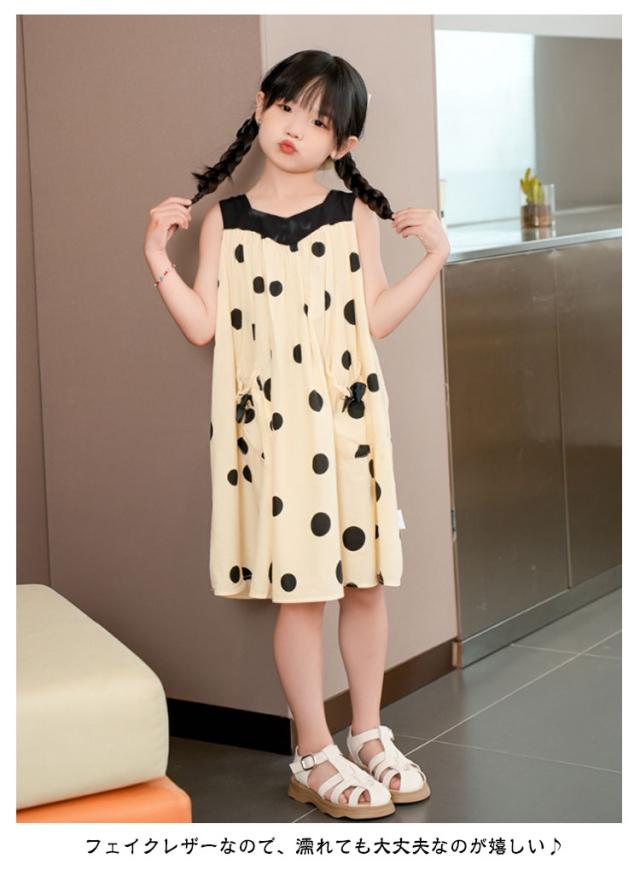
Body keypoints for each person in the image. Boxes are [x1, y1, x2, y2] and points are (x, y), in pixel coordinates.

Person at [143, 49, 450, 821]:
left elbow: (375, 318)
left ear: (342, 145)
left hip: (351, 424)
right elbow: (203, 327)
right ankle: (314, 751)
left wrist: (436, 258)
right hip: (275, 437)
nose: (294, 129)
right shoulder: (225, 221)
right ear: (260, 105)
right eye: (285, 108)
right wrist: (155, 256)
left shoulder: (352, 216)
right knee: (303, 591)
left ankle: (368, 735)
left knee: (365, 582)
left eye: (318, 121)